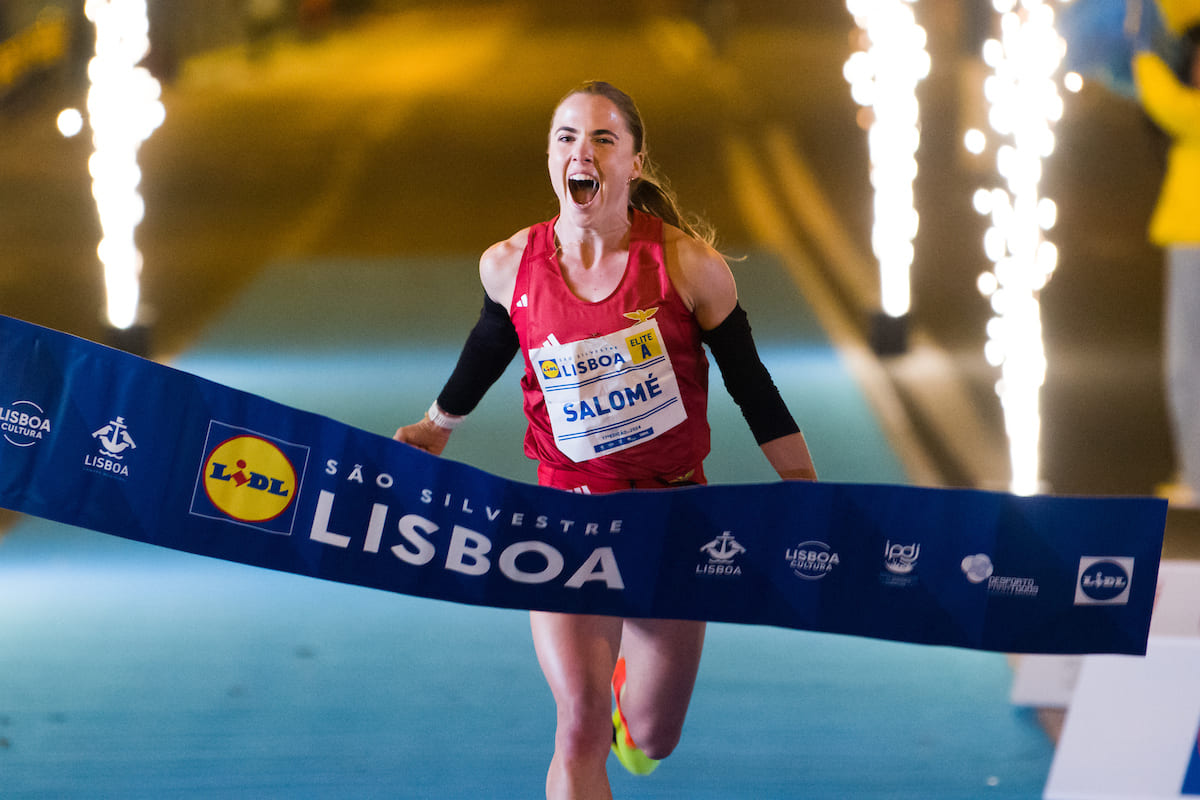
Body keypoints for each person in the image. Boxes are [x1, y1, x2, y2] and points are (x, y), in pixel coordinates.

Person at [394, 80, 817, 799]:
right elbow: (492, 343)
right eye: (565, 137)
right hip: (565, 516)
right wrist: (437, 426)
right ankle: (598, 710)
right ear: (551, 157)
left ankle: (633, 716)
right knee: (578, 724)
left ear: (634, 164)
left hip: (673, 516)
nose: (579, 152)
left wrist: (808, 494)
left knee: (651, 735)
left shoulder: (689, 268)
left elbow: (752, 386)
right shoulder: (509, 264)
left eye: (601, 139)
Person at [1133, 21, 1200, 505]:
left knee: (1185, 366)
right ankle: (1193, 471)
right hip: (1186, 244)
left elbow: (1167, 104)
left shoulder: (1191, 113)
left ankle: (1196, 478)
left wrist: (1141, 50)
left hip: (1192, 245)